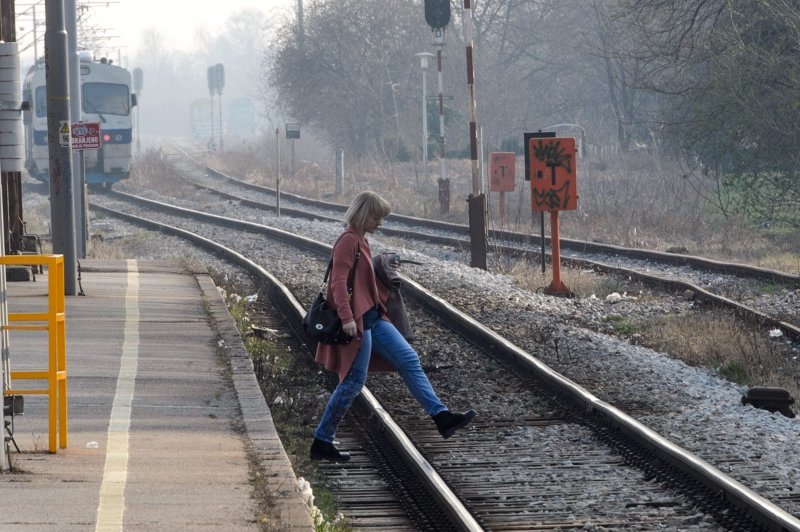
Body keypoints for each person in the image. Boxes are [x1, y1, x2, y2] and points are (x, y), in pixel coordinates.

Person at [310, 191, 476, 462]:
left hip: (374, 318)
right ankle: (322, 440)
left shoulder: (361, 240)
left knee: (409, 359)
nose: (380, 223)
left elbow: (361, 275)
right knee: (352, 383)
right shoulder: (348, 241)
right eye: (377, 217)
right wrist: (348, 318)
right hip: (360, 322)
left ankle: (441, 416)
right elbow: (338, 283)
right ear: (365, 214)